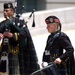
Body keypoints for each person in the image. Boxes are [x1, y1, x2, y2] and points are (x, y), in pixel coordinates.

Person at [0, 2, 40, 75]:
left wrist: (12, 35)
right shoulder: (2, 23)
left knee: (15, 71)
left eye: (7, 11)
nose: (5, 13)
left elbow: (25, 34)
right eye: (4, 11)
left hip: (15, 52)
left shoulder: (19, 22)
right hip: (4, 52)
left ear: (12, 11)